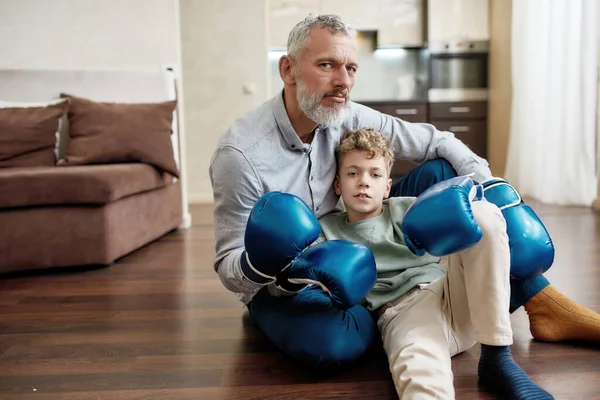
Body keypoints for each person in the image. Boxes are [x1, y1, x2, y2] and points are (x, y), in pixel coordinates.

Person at [209, 13, 600, 370]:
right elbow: (230, 268)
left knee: (445, 173)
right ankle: (392, 315)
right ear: (288, 69)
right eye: (326, 65)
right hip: (289, 279)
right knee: (333, 347)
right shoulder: (241, 154)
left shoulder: (345, 114)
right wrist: (264, 263)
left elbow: (437, 141)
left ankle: (543, 302)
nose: (343, 81)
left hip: (360, 219)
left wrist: (490, 185)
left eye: (350, 68)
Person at [313, 127, 553, 399]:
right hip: (403, 313)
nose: (364, 182)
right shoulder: (326, 231)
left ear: (387, 186)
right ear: (337, 184)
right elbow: (297, 279)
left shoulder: (410, 208)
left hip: (455, 295)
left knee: (482, 213)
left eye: (375, 174)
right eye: (353, 173)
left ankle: (497, 357)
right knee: (422, 381)